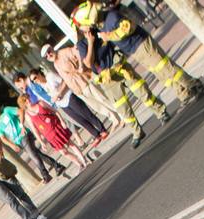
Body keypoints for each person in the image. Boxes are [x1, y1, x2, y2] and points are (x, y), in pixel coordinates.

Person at [72, 2, 170, 147]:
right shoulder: (82, 44)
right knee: (123, 108)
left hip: (120, 66)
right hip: (106, 78)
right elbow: (88, 62)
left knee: (141, 91)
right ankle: (137, 132)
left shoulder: (100, 27)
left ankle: (161, 112)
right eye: (82, 25)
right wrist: (91, 43)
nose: (85, 26)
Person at [92, 0, 203, 104]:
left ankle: (193, 84)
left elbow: (128, 27)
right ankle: (183, 93)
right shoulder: (101, 27)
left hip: (141, 44)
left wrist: (110, 36)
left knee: (167, 68)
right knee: (161, 74)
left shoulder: (112, 16)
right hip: (134, 51)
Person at [42, 41, 123, 130]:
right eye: (46, 56)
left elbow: (78, 51)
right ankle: (114, 119)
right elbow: (66, 78)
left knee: (102, 98)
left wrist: (81, 66)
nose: (49, 56)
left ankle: (122, 115)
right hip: (77, 89)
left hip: (85, 81)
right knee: (96, 106)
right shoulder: (55, 64)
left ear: (52, 48)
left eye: (49, 52)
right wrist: (61, 93)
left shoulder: (64, 52)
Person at [0, 99, 65, 183]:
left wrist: (21, 125)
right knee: (37, 154)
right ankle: (57, 166)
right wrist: (12, 145)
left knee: (33, 155)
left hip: (24, 135)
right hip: (18, 142)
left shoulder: (7, 110)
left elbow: (20, 111)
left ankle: (45, 175)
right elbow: (3, 138)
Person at [25, 67, 108, 146]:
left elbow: (64, 81)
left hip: (69, 97)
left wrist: (60, 93)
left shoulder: (50, 76)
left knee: (87, 115)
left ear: (39, 73)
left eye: (35, 78)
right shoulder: (42, 86)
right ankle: (96, 135)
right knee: (81, 121)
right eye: (33, 81)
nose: (35, 81)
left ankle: (102, 130)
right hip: (62, 105)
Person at [19, 94, 90, 171]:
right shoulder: (28, 115)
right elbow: (34, 130)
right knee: (64, 152)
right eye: (25, 101)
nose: (28, 101)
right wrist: (41, 142)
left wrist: (62, 121)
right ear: (23, 104)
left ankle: (84, 160)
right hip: (49, 135)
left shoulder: (40, 103)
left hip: (56, 127)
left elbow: (55, 111)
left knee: (70, 143)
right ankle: (79, 163)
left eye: (27, 98)